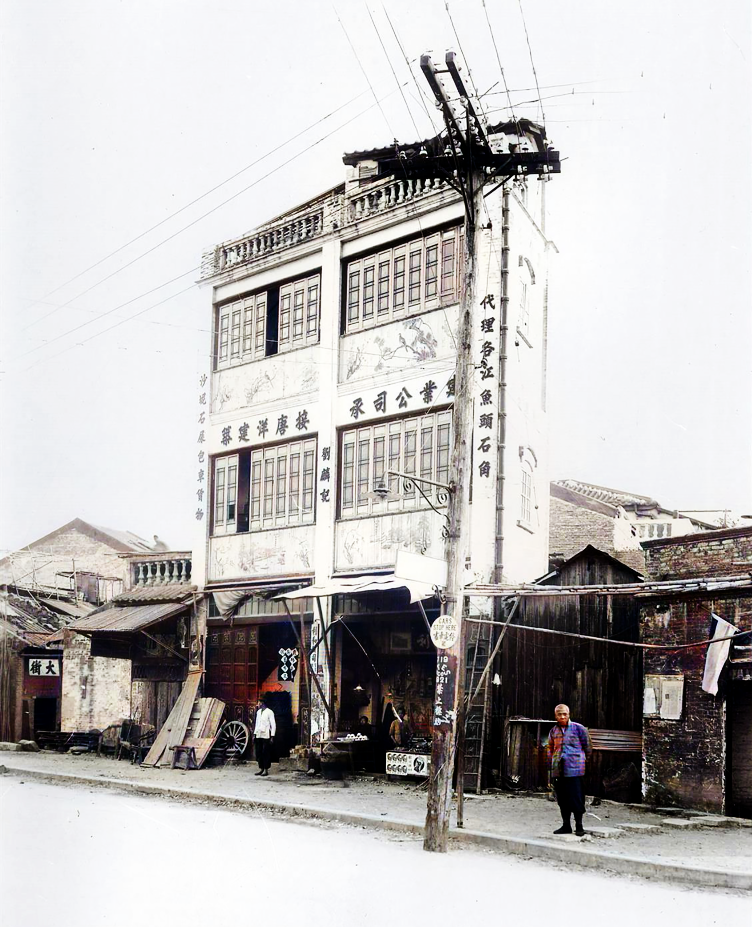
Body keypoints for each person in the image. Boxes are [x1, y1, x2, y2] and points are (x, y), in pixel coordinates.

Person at [547, 703, 591, 836]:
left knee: (576, 798)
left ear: (569, 714)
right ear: (555, 716)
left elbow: (588, 747)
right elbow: (550, 749)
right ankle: (566, 825)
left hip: (575, 770)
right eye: (559, 714)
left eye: (564, 714)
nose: (562, 717)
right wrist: (551, 765)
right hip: (559, 771)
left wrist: (581, 761)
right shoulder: (553, 731)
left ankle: (579, 826)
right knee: (562, 799)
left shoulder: (579, 728)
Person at [253, 695, 276, 777]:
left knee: (265, 752)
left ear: (262, 703)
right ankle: (261, 768)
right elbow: (257, 723)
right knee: (259, 752)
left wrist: (272, 736)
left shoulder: (269, 712)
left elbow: (273, 725)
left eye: (259, 702)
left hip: (266, 735)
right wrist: (254, 734)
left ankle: (266, 769)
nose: (258, 704)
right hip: (258, 734)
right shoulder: (258, 712)